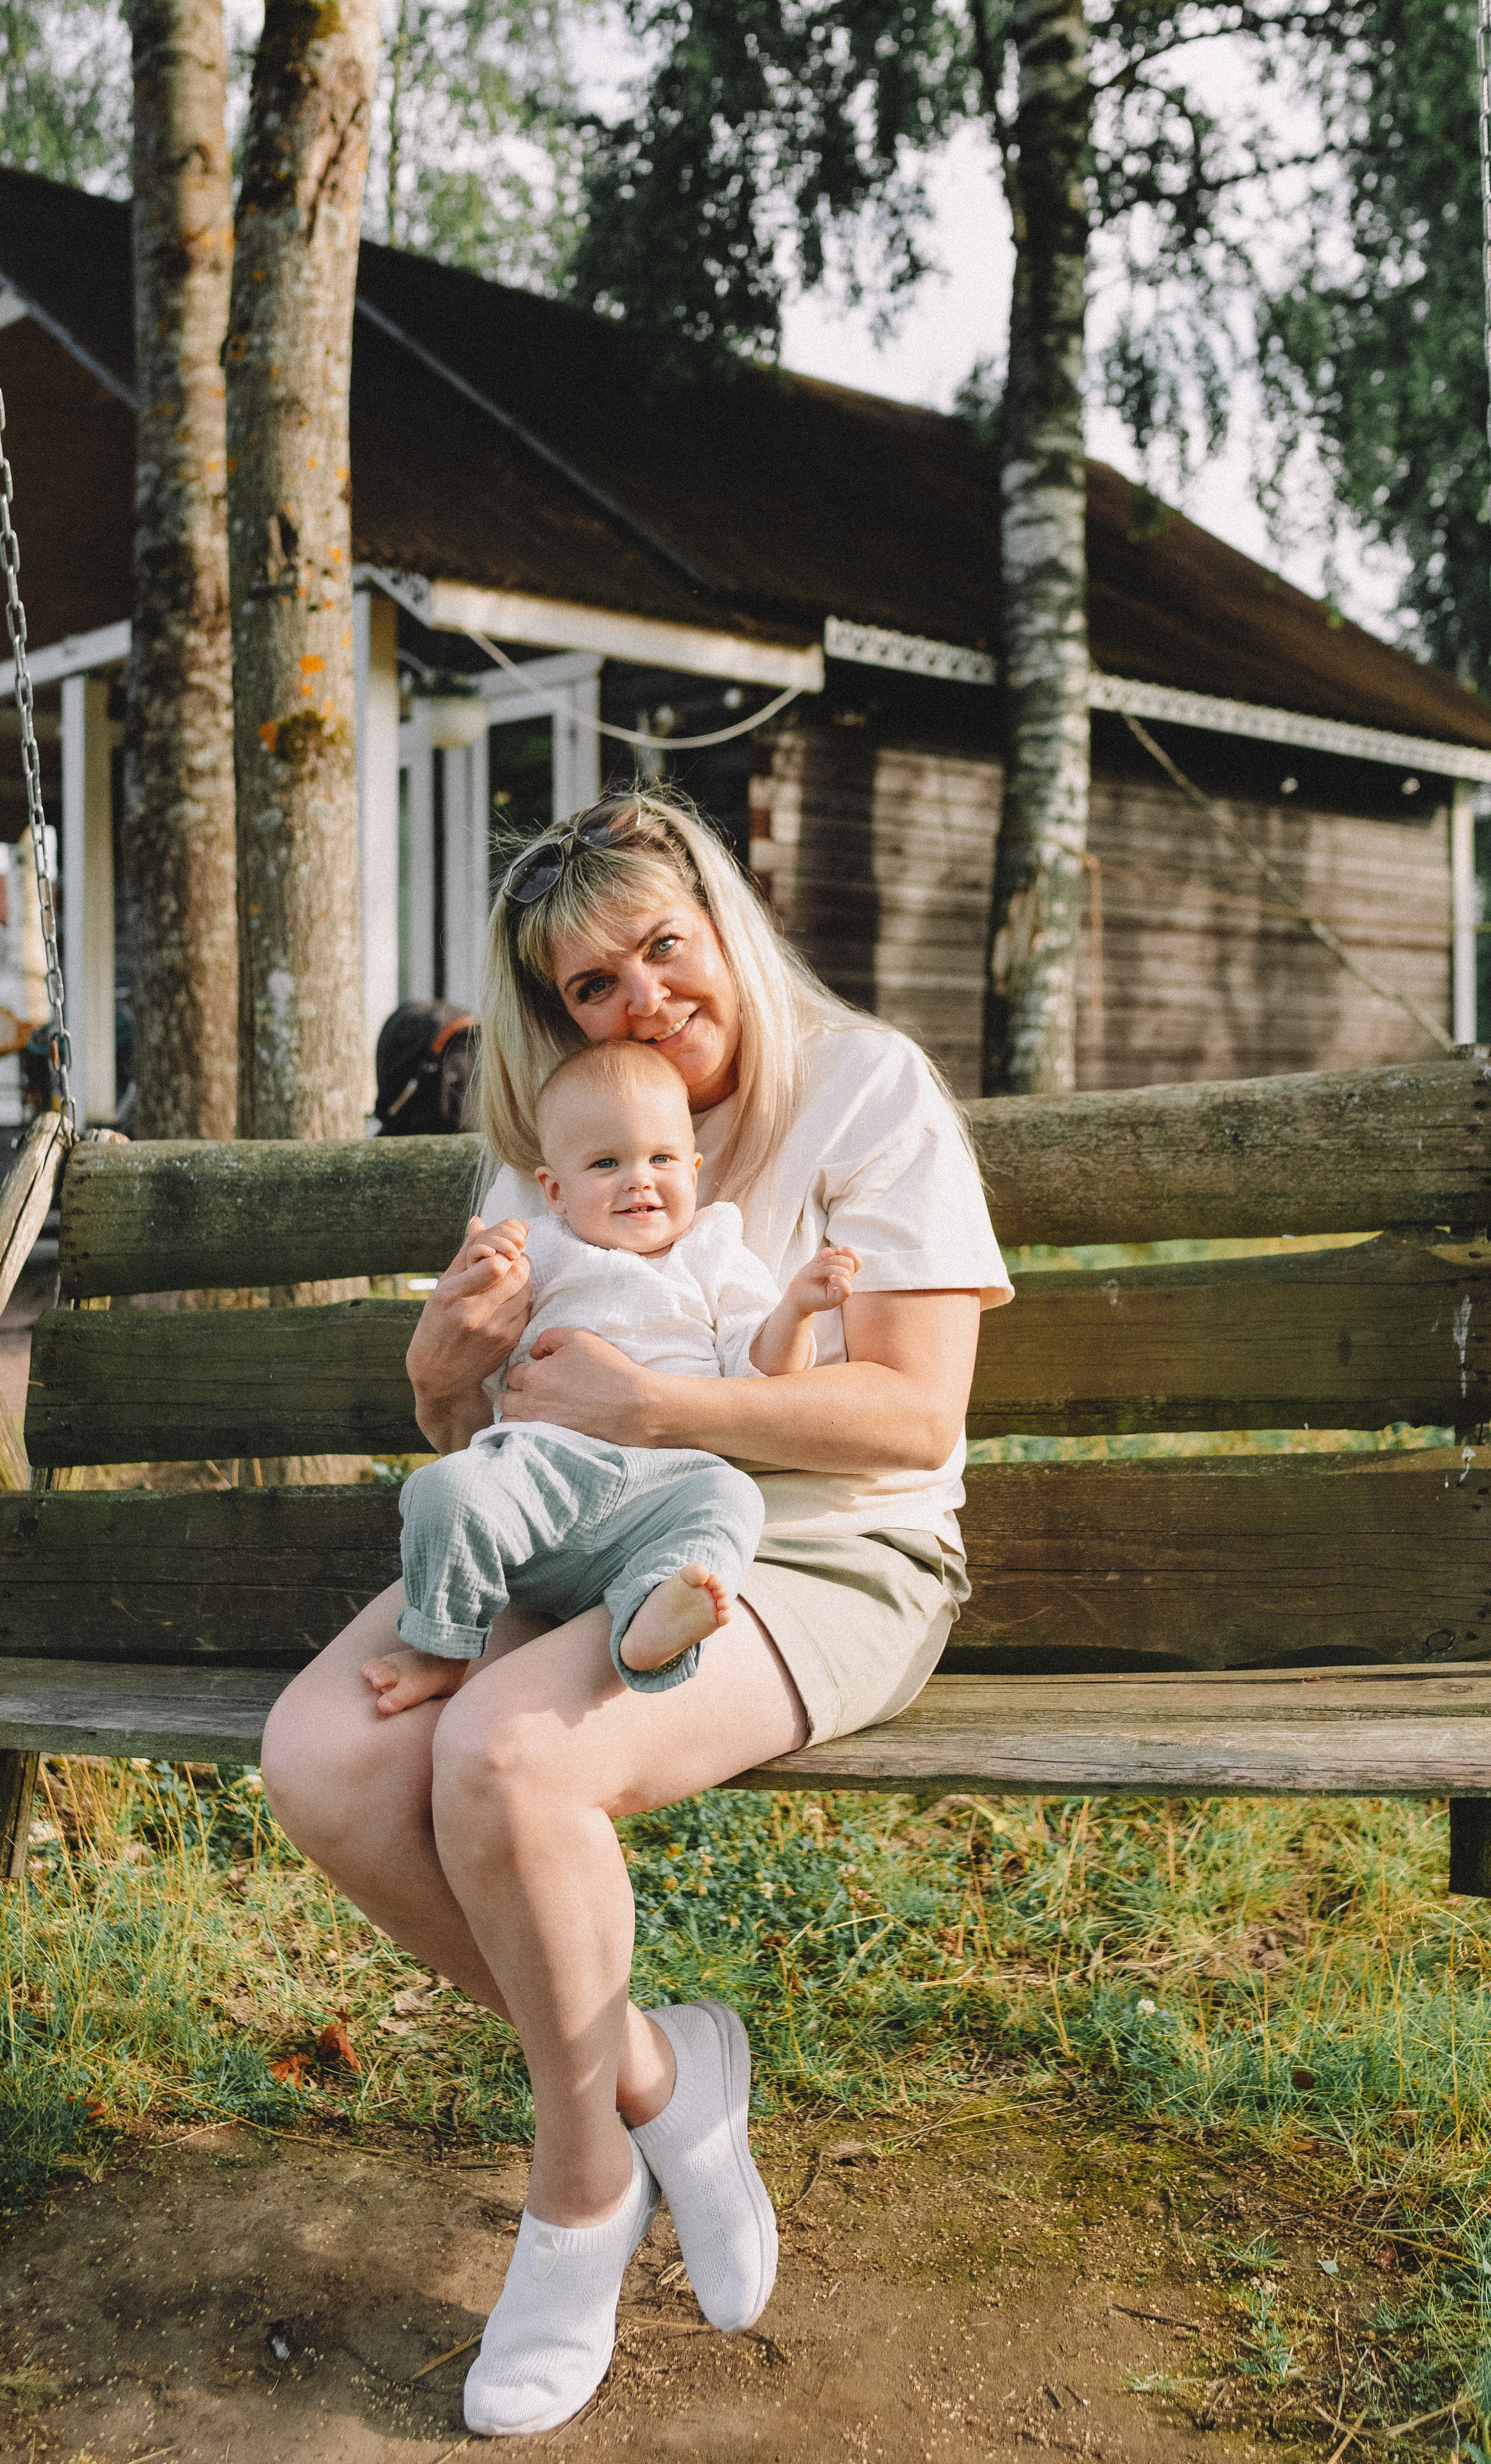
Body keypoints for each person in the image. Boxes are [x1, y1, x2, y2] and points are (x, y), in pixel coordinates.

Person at [261, 787, 1012, 2440]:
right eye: (590, 988)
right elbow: (504, 1425)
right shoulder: (561, 1135)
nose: (639, 1002)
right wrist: (439, 1372)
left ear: (720, 921)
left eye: (660, 948)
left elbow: (907, 1420)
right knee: (317, 1758)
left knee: (505, 1757)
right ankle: (661, 2072)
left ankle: (581, 2183)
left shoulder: (865, 1091)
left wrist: (661, 1412)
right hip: (577, 1528)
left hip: (817, 1554)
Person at [392, 1033, 863, 1687]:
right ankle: (441, 1651)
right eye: (607, 1163)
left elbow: (759, 1366)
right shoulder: (545, 1249)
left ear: (693, 1173)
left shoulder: (712, 1250)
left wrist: (797, 1310)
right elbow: (483, 1333)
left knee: (730, 1497)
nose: (639, 1178)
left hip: (665, 1483)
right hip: (540, 1476)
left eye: (662, 1158)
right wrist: (486, 1266)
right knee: (444, 1488)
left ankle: (648, 1613)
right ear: (555, 1191)